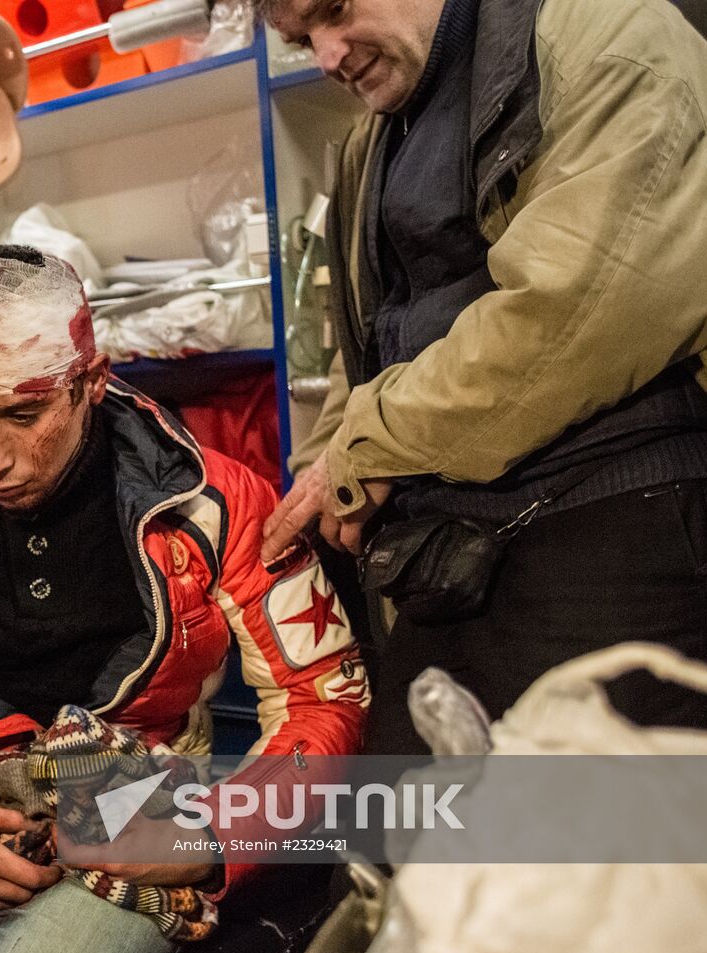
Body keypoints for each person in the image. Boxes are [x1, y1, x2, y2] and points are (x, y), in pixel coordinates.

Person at [0, 244, 369, 953]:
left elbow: (323, 697)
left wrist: (211, 837)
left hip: (135, 817)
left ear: (92, 381)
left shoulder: (217, 503)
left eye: (22, 413)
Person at [257, 0, 707, 752]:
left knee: (585, 863)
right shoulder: (375, 135)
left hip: (622, 524)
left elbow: (574, 315)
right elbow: (365, 338)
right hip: (455, 558)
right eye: (301, 40)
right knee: (393, 857)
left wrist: (361, 450)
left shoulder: (612, 38)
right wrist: (323, 467)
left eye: (333, 11)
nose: (329, 54)